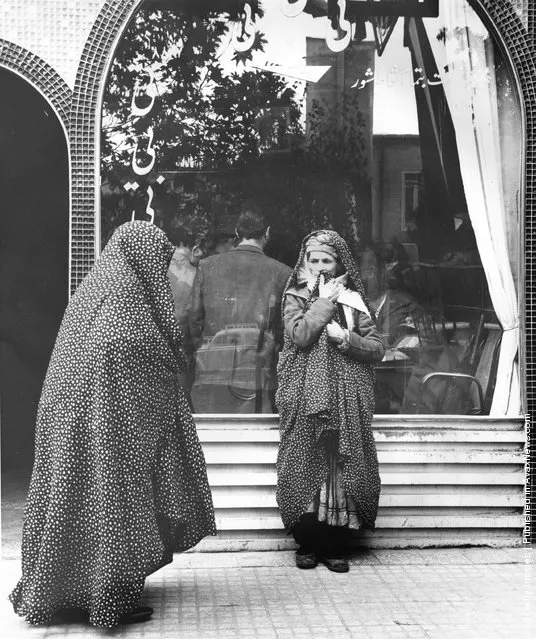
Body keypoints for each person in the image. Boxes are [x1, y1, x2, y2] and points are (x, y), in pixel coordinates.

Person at [10, 221, 216, 628]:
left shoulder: (94, 292)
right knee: (109, 500)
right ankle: (108, 599)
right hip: (108, 427)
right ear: (143, 257)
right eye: (159, 260)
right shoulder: (127, 303)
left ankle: (65, 594)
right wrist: (173, 356)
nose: (162, 270)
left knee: (73, 503)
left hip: (69, 425)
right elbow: (138, 351)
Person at [276, 230, 384, 573]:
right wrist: (323, 303)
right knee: (306, 461)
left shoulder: (353, 300)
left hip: (346, 400)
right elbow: (300, 336)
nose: (321, 266)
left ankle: (335, 544)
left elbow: (377, 348)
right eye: (314, 260)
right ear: (304, 262)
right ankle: (307, 543)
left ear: (340, 263)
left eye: (327, 260)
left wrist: (346, 338)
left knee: (340, 466)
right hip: (305, 398)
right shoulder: (294, 296)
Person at [189, 206, 292, 413]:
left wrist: (203, 353)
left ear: (237, 233)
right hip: (259, 375)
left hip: (212, 372)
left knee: (214, 438)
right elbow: (284, 331)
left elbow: (194, 322)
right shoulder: (283, 272)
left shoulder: (207, 266)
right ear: (268, 233)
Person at [167, 215, 208, 403]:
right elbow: (196, 317)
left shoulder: (153, 269)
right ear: (196, 249)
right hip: (184, 350)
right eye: (202, 252)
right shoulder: (198, 274)